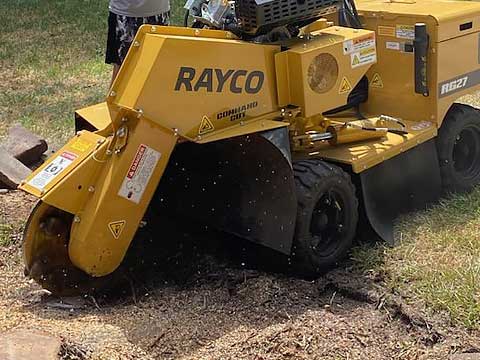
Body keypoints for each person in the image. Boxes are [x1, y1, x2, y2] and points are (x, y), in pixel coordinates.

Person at [106, 0, 171, 85]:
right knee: (122, 69)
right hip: (126, 12)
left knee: (157, 65)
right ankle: (117, 98)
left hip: (159, 11)